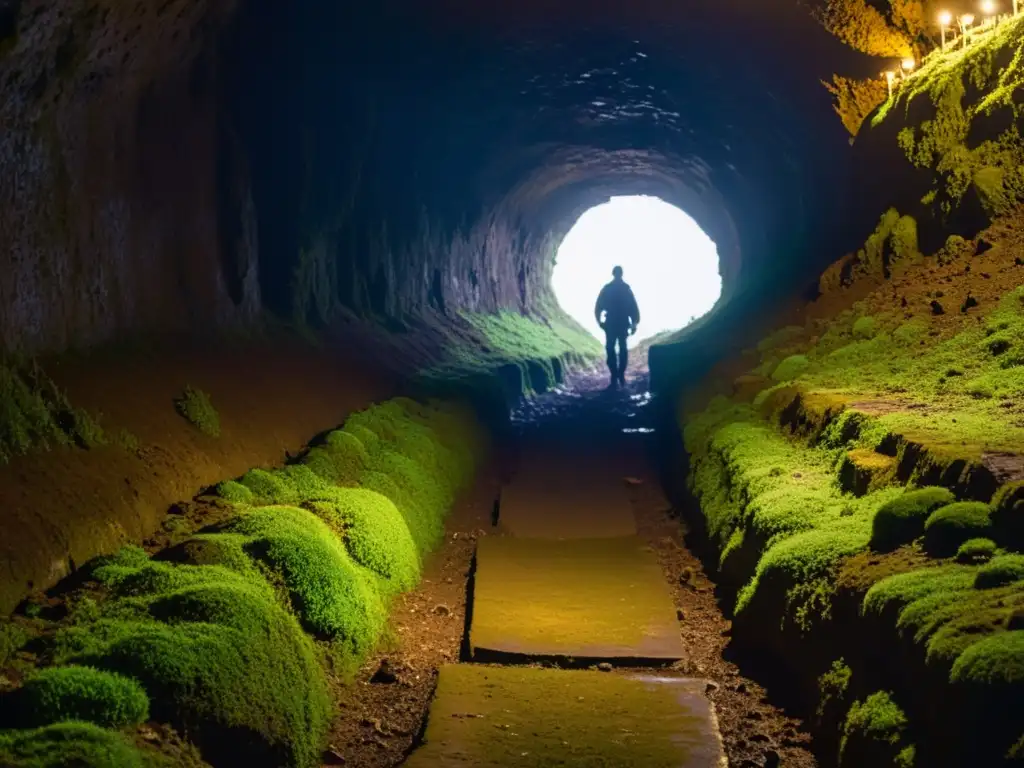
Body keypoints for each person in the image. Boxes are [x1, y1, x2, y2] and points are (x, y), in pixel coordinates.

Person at [594, 265, 640, 388]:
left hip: (613, 324)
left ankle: (617, 374)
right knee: (618, 349)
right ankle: (617, 375)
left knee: (613, 349)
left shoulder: (610, 289)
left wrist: (600, 322)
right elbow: (634, 309)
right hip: (619, 323)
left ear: (613, 274)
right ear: (619, 274)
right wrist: (634, 323)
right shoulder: (624, 289)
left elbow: (598, 307)